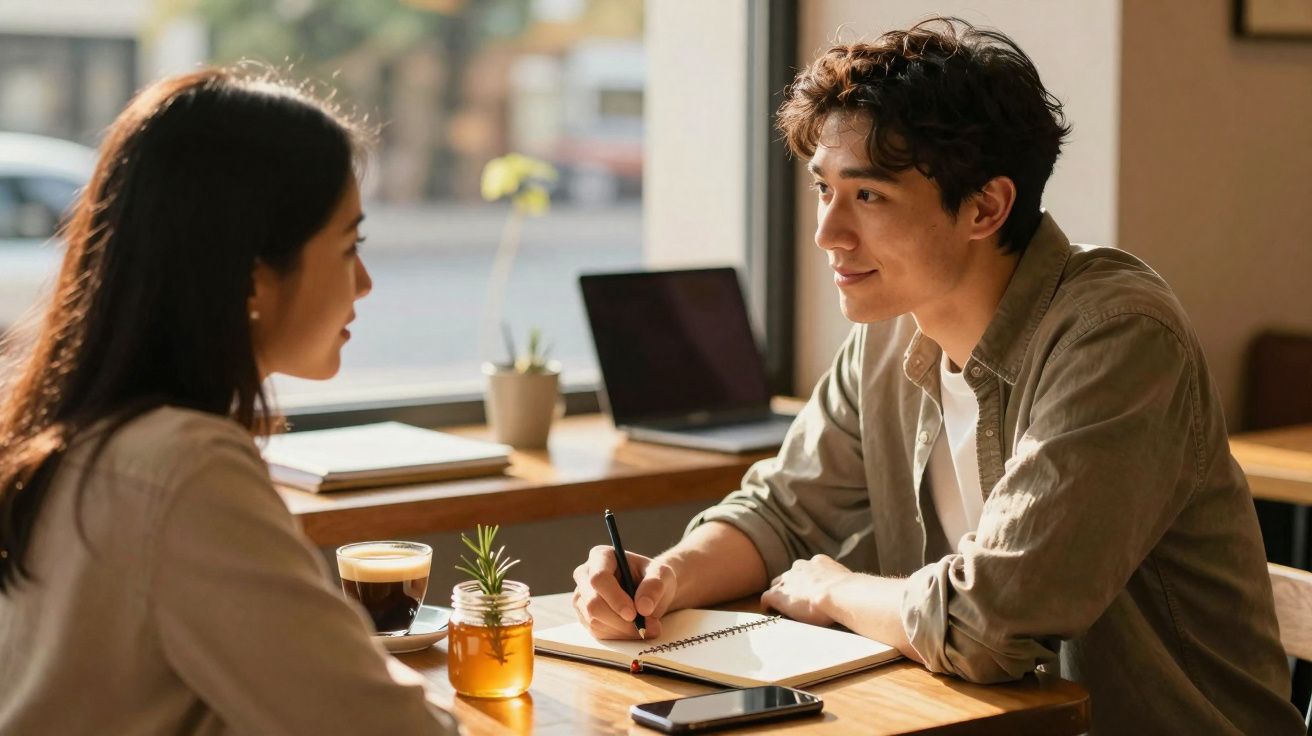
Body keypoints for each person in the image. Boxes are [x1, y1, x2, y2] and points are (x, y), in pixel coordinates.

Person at [571, 17, 1302, 734]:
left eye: (868, 196)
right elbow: (782, 512)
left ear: (986, 206)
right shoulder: (890, 330)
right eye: (824, 190)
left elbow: (988, 623)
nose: (827, 233)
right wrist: (665, 577)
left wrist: (837, 590)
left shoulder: (1117, 337)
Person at [0, 69, 459, 734]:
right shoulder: (187, 470)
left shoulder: (69, 439)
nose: (363, 283)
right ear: (252, 276)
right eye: (348, 246)